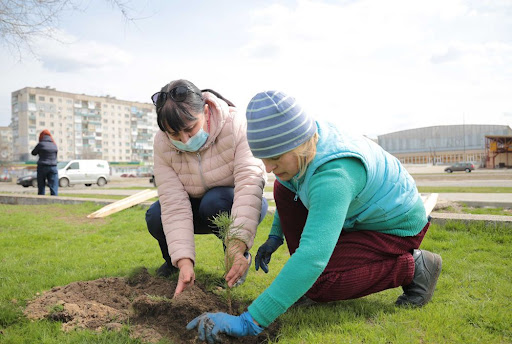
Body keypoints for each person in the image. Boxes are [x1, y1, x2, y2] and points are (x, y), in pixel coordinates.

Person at [187, 90, 442, 342]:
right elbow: (293, 189)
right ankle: (300, 286)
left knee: (318, 281)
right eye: (263, 158)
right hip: (358, 215)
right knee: (282, 185)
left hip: (394, 228)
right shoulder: (305, 145)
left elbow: (312, 258)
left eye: (274, 158)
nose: (267, 167)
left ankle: (414, 267)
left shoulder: (334, 174)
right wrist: (275, 236)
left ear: (298, 144)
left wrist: (249, 321)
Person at [146, 79, 268, 297]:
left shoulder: (236, 124)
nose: (184, 140)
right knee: (155, 214)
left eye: (190, 129)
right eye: (174, 135)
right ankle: (174, 264)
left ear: (205, 111)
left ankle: (236, 260)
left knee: (215, 200)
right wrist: (184, 261)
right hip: (195, 207)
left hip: (232, 201)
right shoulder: (162, 143)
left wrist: (237, 244)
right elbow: (173, 203)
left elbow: (249, 183)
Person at [31, 129, 59, 196]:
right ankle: (55, 199)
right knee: (54, 185)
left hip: (42, 166)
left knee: (41, 185)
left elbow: (33, 153)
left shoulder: (40, 144)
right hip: (53, 166)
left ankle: (41, 199)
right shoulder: (54, 144)